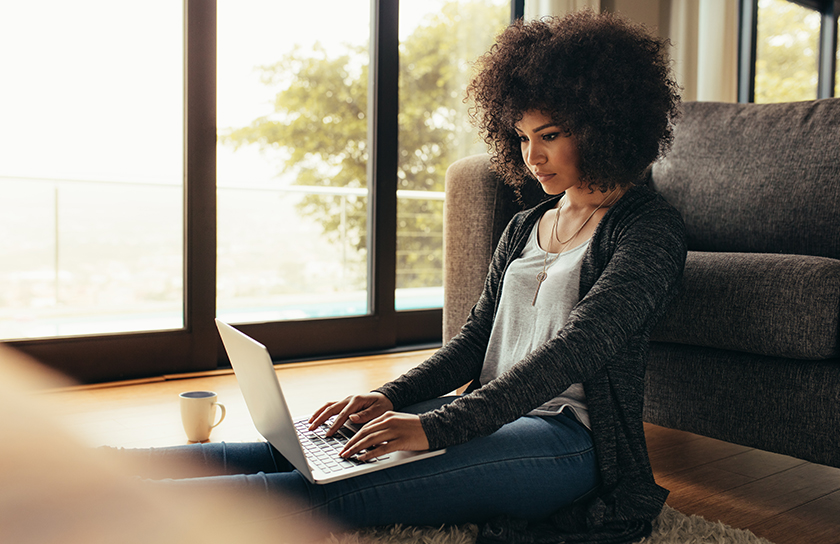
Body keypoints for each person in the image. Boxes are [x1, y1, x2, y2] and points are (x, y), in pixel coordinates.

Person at [115, 10, 686, 543]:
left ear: (606, 125)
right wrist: (387, 397)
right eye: (521, 136)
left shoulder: (649, 231)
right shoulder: (525, 225)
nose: (531, 155)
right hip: (488, 414)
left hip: (569, 443)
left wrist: (438, 428)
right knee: (306, 447)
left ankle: (114, 516)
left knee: (332, 491)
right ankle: (87, 469)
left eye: (550, 134)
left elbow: (574, 351)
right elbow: (471, 346)